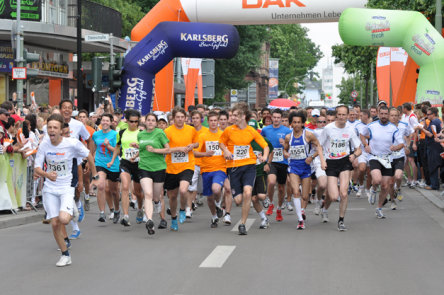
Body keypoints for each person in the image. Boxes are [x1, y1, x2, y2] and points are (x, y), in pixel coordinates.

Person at [34, 114, 98, 267]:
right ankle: (65, 255)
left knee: (63, 219)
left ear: (61, 130)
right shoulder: (44, 145)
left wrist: (95, 175)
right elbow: (37, 167)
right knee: (55, 223)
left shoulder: (72, 143)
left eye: (55, 127)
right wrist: (46, 174)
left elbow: (88, 154)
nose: (52, 130)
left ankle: (72, 210)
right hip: (50, 188)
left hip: (66, 188)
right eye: (49, 127)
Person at [219, 103, 269, 235]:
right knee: (238, 200)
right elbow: (221, 142)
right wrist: (225, 151)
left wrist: (264, 156)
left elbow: (265, 145)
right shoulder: (229, 130)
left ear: (242, 116)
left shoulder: (251, 131)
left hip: (249, 166)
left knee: (248, 193)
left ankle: (242, 224)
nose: (233, 117)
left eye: (235, 115)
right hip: (234, 168)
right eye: (232, 115)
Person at [318, 105, 362, 231]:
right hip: (331, 163)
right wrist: (322, 160)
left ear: (348, 116)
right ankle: (325, 208)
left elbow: (358, 149)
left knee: (343, 193)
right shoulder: (328, 128)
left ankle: (341, 220)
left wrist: (354, 155)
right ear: (336, 115)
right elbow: (319, 146)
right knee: (333, 196)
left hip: (344, 162)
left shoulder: (351, 129)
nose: (342, 117)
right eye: (340, 114)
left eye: (344, 115)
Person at [283, 111, 326, 230]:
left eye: (299, 122)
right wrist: (286, 154)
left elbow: (319, 147)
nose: (296, 124)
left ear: (303, 123)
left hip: (306, 167)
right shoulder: (288, 137)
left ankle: (302, 210)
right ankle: (300, 220)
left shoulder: (308, 135)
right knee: (296, 192)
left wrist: (312, 157)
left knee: (305, 196)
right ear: (291, 123)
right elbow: (285, 150)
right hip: (293, 167)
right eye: (294, 122)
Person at [363, 106, 404, 219]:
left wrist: (396, 147)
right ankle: (373, 189)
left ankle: (379, 208)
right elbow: (362, 134)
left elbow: (401, 144)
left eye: (386, 114)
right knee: (377, 179)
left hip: (388, 159)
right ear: (378, 113)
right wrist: (366, 145)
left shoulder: (393, 128)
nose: (384, 116)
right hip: (374, 157)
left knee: (385, 186)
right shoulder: (371, 126)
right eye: (382, 113)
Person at [164, 107, 199, 231]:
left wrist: (192, 145)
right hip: (171, 167)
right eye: (177, 117)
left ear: (185, 118)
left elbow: (197, 143)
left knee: (183, 190)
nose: (180, 119)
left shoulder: (191, 130)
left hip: (187, 165)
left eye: (182, 117)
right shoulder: (167, 131)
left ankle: (183, 209)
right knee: (172, 196)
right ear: (173, 118)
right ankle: (173, 218)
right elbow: (164, 148)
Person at [136, 113, 170, 234]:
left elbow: (168, 149)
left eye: (152, 120)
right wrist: (137, 148)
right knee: (148, 193)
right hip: (144, 167)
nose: (150, 122)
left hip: (159, 168)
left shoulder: (160, 133)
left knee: (156, 197)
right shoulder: (140, 134)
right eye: (148, 120)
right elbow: (141, 149)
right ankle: (149, 220)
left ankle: (157, 204)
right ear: (145, 122)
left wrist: (155, 150)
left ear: (156, 123)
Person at [108, 109, 143, 226]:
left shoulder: (142, 133)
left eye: (136, 121)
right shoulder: (121, 132)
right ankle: (126, 215)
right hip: (125, 162)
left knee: (137, 191)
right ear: (127, 121)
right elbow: (118, 147)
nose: (134, 124)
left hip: (138, 163)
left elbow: (145, 148)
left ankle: (139, 209)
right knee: (125, 187)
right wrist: (112, 160)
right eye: (131, 121)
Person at [195, 111, 227, 228]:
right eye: (211, 121)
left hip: (220, 168)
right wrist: (205, 154)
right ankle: (214, 217)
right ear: (208, 122)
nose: (213, 123)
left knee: (216, 189)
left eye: (215, 120)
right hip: (206, 169)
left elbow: (229, 149)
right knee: (209, 197)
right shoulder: (203, 136)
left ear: (218, 122)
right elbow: (195, 153)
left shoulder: (223, 135)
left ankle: (218, 204)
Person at [261, 109, 291, 222]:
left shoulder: (287, 131)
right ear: (271, 118)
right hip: (271, 160)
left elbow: (291, 146)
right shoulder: (265, 130)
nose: (276, 119)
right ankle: (271, 203)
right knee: (272, 182)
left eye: (278, 117)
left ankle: (279, 209)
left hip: (282, 162)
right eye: (274, 117)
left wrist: (285, 144)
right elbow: (261, 142)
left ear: (281, 118)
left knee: (281, 188)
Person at [91, 114, 121, 223]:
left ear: (111, 122)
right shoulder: (96, 135)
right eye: (103, 120)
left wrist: (108, 146)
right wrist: (90, 161)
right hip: (100, 163)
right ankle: (102, 213)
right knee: (101, 185)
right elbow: (94, 149)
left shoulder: (115, 134)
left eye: (107, 121)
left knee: (114, 191)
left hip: (113, 165)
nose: (105, 123)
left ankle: (117, 210)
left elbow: (118, 151)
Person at [388, 108, 410, 209]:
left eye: (395, 115)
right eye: (391, 115)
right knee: (391, 182)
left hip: (400, 154)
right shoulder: (384, 127)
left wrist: (407, 146)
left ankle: (399, 188)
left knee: (398, 176)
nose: (393, 117)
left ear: (398, 116)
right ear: (388, 116)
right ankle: (392, 201)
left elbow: (408, 135)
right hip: (388, 156)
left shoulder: (403, 125)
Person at [419, 107, 443, 190]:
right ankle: (435, 183)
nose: (427, 116)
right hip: (436, 146)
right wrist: (424, 124)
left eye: (428, 114)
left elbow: (430, 134)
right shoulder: (437, 121)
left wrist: (421, 128)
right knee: (438, 164)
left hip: (433, 147)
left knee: (433, 165)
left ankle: (434, 185)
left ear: (433, 114)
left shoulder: (434, 122)